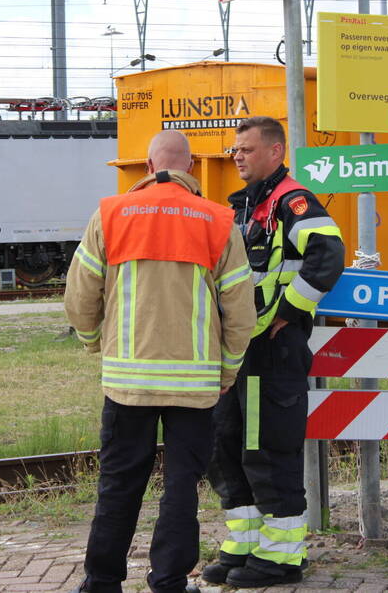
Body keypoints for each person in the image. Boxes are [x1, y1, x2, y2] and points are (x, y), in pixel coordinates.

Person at [65, 129, 256, 593]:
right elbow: (240, 311)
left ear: (149, 168)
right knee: (180, 489)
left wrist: (96, 343)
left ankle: (102, 581)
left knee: (118, 484)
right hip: (194, 386)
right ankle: (169, 581)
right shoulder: (216, 219)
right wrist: (227, 370)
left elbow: (80, 296)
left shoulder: (109, 215)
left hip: (127, 383)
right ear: (189, 169)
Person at [203, 116, 345, 588]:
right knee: (227, 448)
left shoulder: (293, 201)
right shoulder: (245, 207)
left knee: (268, 452)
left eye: (246, 149)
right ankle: (245, 544)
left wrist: (289, 311)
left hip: (273, 350)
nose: (237, 156)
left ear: (275, 152)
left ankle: (282, 557)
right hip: (240, 349)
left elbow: (329, 253)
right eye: (235, 150)